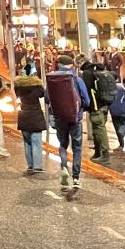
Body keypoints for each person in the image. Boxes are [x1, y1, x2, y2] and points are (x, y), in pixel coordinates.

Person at [46, 58, 91, 190]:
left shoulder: (52, 79)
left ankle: (64, 167)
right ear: (71, 65)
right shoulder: (76, 79)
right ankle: (76, 178)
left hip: (59, 118)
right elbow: (86, 101)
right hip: (75, 118)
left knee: (62, 145)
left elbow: (47, 98)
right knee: (77, 148)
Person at [14, 66, 48, 173]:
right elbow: (43, 94)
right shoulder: (36, 85)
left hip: (23, 115)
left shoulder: (18, 86)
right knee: (36, 141)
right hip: (35, 115)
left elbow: (17, 95)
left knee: (27, 142)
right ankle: (37, 166)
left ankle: (30, 165)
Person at [84, 58, 118, 162]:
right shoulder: (102, 71)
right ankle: (98, 152)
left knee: (99, 129)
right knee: (100, 128)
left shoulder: (87, 73)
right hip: (105, 104)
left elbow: (86, 90)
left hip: (96, 106)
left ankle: (105, 153)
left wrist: (86, 105)